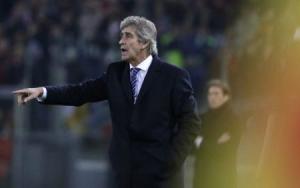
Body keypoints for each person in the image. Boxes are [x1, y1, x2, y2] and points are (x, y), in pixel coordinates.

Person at [13, 16, 200, 188]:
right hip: (124, 176)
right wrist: (42, 92)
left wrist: (171, 161)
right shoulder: (115, 73)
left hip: (163, 179)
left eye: (128, 36)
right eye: (121, 36)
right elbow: (80, 93)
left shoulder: (174, 76)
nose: (121, 41)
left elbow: (190, 123)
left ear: (144, 42)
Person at [193, 79, 243, 188]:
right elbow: (191, 148)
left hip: (223, 178)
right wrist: (213, 143)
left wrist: (200, 142)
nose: (212, 97)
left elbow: (224, 149)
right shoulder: (202, 118)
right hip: (202, 178)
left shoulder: (234, 120)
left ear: (226, 97)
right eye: (210, 94)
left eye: (216, 93)